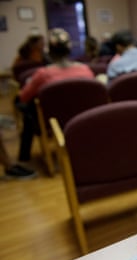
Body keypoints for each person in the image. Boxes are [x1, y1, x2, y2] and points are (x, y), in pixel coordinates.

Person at [17, 28, 95, 162]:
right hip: (83, 118)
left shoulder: (43, 74)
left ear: (49, 51)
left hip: (52, 123)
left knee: (27, 110)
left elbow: (24, 97)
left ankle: (24, 157)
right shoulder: (85, 70)